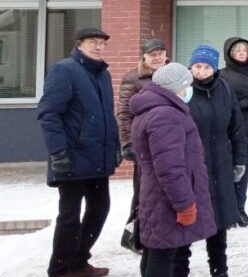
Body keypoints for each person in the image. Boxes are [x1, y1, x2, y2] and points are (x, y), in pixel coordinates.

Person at [37, 27, 120, 277]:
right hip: (71, 158)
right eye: (92, 42)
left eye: (102, 43)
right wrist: (58, 152)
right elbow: (49, 114)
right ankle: (60, 268)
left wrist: (114, 147)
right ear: (79, 45)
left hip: (97, 159)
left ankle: (78, 261)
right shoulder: (64, 70)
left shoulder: (103, 75)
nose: (98, 47)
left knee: (99, 210)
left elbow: (107, 117)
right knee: (69, 217)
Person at [130, 63, 217, 277]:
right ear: (177, 87)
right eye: (187, 85)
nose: (190, 90)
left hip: (157, 195)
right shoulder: (166, 115)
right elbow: (170, 168)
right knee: (164, 255)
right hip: (168, 199)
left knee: (159, 250)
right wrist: (184, 204)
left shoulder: (152, 109)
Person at [175, 44, 247, 277]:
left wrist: (240, 160)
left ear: (214, 69)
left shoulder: (225, 89)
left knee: (219, 223)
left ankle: (219, 270)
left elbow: (237, 128)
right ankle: (179, 270)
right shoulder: (182, 90)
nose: (201, 71)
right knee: (187, 222)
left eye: (206, 67)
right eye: (197, 66)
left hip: (221, 165)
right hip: (192, 167)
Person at [117, 38, 169, 255]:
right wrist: (127, 142)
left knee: (168, 189)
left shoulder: (174, 74)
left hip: (170, 142)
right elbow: (124, 113)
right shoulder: (134, 78)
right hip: (145, 144)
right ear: (144, 57)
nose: (156, 58)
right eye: (152, 54)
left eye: (160, 53)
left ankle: (163, 233)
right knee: (144, 193)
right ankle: (135, 235)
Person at [218, 37, 248, 228]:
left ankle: (240, 208)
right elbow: (219, 101)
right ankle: (227, 211)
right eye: (237, 50)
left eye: (244, 50)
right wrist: (240, 104)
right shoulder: (221, 75)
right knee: (226, 173)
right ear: (229, 53)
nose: (241, 53)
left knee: (243, 173)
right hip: (227, 130)